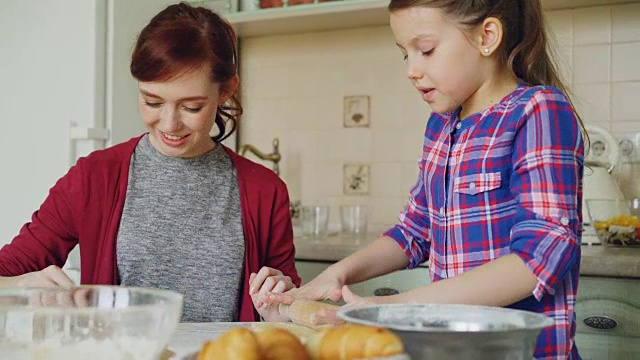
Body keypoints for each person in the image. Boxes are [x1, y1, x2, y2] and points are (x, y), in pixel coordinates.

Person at [264, 0, 584, 358]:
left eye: (426, 50)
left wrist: (393, 311)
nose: (411, 70)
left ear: (487, 36)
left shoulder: (538, 111)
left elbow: (539, 257)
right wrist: (337, 274)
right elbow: (414, 232)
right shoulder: (442, 126)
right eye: (405, 54)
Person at [0, 2, 300, 323]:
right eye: (152, 102)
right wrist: (22, 285)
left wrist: (282, 306)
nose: (169, 124)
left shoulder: (264, 191)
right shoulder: (94, 177)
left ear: (226, 90)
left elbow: (289, 307)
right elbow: (6, 273)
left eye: (192, 107)